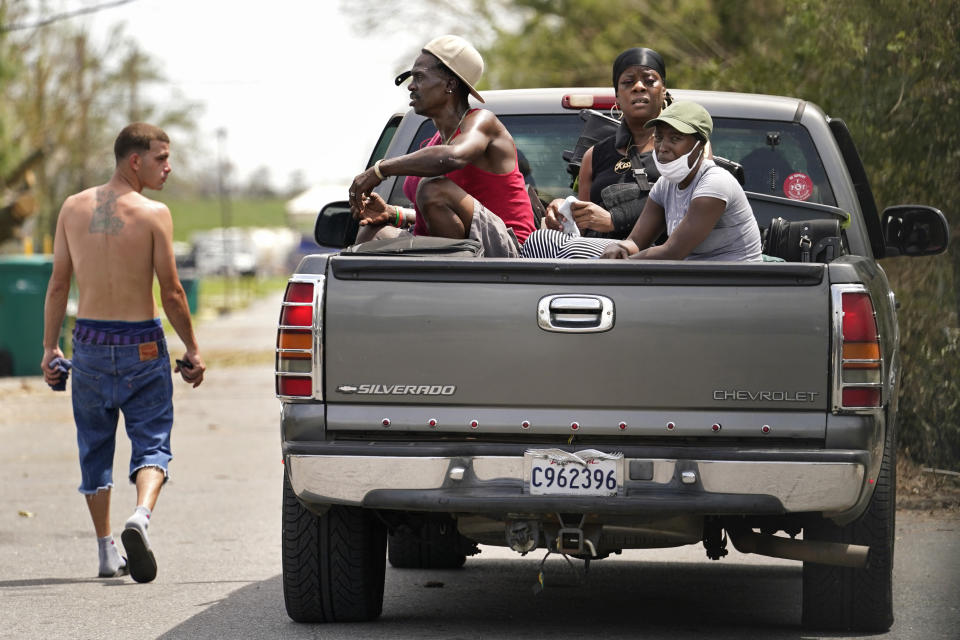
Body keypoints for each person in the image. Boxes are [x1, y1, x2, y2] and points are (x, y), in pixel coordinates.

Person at [41, 122, 206, 583]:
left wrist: (50, 347)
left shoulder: (72, 208)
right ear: (135, 160)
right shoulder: (155, 214)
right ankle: (141, 517)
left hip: (89, 344)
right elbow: (172, 291)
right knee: (152, 441)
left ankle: (105, 552)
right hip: (142, 343)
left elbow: (58, 284)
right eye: (161, 158)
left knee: (94, 446)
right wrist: (192, 348)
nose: (168, 168)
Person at [348, 35, 535, 257]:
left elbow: (453, 157)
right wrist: (393, 213)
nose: (411, 86)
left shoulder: (482, 122)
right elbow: (447, 219)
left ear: (450, 84)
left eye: (419, 77)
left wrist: (380, 169)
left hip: (510, 251)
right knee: (373, 233)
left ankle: (449, 281)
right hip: (467, 247)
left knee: (433, 189)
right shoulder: (433, 144)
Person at [522, 47, 671, 259]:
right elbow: (582, 228)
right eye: (628, 82)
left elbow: (690, 201)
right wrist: (565, 212)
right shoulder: (595, 155)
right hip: (595, 252)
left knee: (558, 246)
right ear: (618, 95)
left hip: (654, 253)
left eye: (649, 81)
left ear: (663, 89)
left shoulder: (689, 144)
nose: (639, 87)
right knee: (539, 240)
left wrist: (613, 219)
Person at [600, 101, 762, 261]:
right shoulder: (665, 185)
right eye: (658, 137)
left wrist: (624, 264)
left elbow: (672, 252)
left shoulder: (715, 182)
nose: (662, 147)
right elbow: (636, 241)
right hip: (694, 279)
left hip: (736, 281)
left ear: (700, 145)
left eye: (675, 138)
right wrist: (620, 248)